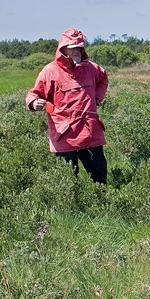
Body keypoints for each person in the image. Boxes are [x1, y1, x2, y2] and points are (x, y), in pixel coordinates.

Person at [26, 28, 109, 183]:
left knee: (100, 178)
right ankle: (73, 207)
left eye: (79, 47)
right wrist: (33, 102)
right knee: (68, 182)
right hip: (65, 136)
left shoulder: (92, 68)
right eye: (72, 48)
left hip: (91, 134)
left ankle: (102, 205)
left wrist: (96, 98)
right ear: (63, 49)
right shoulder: (50, 71)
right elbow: (34, 93)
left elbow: (103, 80)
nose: (76, 51)